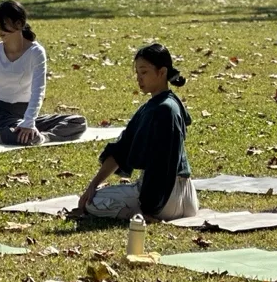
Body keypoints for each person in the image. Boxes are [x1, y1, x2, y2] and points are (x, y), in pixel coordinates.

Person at [75, 43, 198, 221]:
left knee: (93, 202)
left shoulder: (163, 109)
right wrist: (93, 184)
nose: (139, 79)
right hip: (188, 200)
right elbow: (121, 149)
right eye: (138, 73)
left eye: (144, 72)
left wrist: (149, 205)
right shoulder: (165, 104)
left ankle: (138, 216)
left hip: (164, 199)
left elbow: (163, 165)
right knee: (96, 193)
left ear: (162, 72)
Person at [0, 1, 86, 144]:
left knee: (78, 122)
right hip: (1, 116)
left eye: (4, 24)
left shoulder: (36, 52)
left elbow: (38, 91)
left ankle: (42, 137)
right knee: (18, 134)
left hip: (27, 114)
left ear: (20, 24)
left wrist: (29, 121)